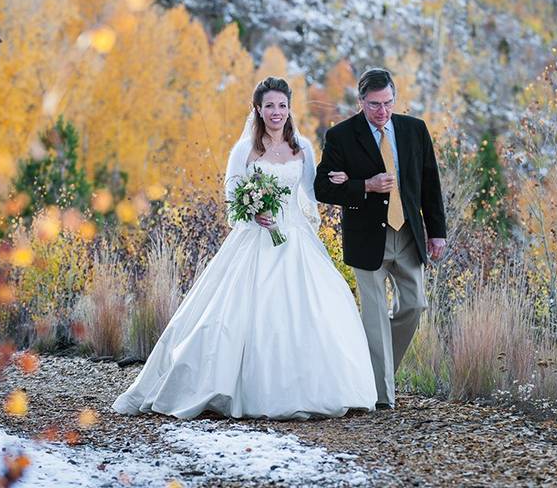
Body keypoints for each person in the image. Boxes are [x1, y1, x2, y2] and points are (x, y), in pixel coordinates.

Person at [111, 77, 376, 419]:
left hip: (296, 238)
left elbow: (312, 191)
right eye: (269, 106)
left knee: (321, 309)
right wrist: (255, 211)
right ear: (258, 109)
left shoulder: (303, 147)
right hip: (256, 238)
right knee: (230, 318)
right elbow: (233, 194)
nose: (276, 112)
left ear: (289, 108)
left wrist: (340, 181)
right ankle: (230, 388)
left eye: (282, 105)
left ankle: (324, 389)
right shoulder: (245, 150)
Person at [314, 68, 446, 409]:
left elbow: (430, 182)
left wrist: (437, 232)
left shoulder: (414, 130)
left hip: (408, 234)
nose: (382, 111)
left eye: (387, 103)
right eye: (374, 105)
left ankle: (374, 370)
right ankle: (380, 396)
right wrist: (365, 186)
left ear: (394, 99)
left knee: (415, 304)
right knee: (374, 317)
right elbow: (322, 188)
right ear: (360, 102)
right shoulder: (340, 136)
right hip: (367, 238)